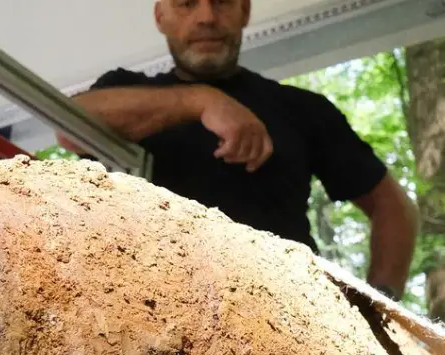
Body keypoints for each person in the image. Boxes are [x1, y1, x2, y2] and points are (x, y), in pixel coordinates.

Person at [74, 0, 417, 298]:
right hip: (150, 310)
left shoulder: (303, 109)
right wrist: (200, 101)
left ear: (245, 10)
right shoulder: (122, 90)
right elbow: (71, 128)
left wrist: (379, 305)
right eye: (187, 3)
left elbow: (392, 206)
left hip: (293, 318)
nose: (207, 17)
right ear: (160, 16)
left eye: (222, 1)